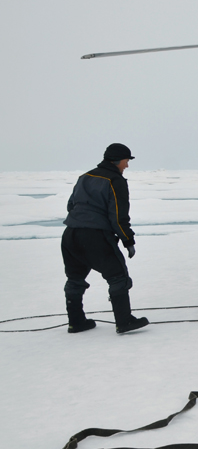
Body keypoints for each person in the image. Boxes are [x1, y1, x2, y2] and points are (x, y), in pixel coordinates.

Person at [62, 143, 149, 334]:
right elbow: (118, 216)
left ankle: (76, 322)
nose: (127, 165)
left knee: (75, 279)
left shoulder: (84, 177)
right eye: (126, 161)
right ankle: (124, 321)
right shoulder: (115, 181)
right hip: (95, 236)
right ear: (117, 160)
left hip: (70, 235)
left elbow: (71, 205)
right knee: (118, 276)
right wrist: (128, 240)